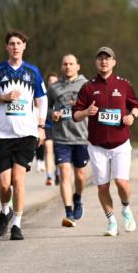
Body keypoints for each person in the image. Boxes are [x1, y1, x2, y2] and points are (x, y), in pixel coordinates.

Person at [0, 30, 48, 241]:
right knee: (4, 183)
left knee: (18, 180)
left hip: (26, 134)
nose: (15, 47)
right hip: (2, 134)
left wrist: (41, 126)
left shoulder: (33, 71)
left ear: (24, 46)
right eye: (11, 43)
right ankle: (5, 210)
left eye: (19, 43)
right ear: (6, 47)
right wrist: (2, 98)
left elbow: (42, 100)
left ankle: (17, 225)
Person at [72, 46, 138, 237]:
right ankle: (111, 221)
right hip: (97, 145)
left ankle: (126, 209)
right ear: (96, 62)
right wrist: (86, 112)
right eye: (100, 58)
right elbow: (75, 115)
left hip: (120, 143)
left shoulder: (124, 85)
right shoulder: (88, 87)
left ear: (114, 62)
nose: (104, 61)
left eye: (108, 58)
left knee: (121, 182)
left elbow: (135, 106)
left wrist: (132, 117)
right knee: (102, 186)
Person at [48, 54, 90, 227]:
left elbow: (95, 105)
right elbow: (46, 107)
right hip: (61, 137)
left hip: (82, 136)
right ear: (61, 67)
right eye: (65, 64)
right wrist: (53, 115)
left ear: (77, 66)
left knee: (80, 176)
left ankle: (78, 198)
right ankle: (68, 212)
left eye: (71, 64)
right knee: (65, 173)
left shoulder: (86, 85)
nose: (68, 67)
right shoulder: (54, 87)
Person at [35, 73, 59, 185]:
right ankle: (49, 176)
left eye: (55, 81)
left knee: (58, 152)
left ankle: (58, 172)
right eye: (50, 81)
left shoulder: (62, 93)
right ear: (47, 83)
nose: (52, 83)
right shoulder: (44, 96)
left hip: (60, 127)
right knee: (48, 149)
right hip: (48, 126)